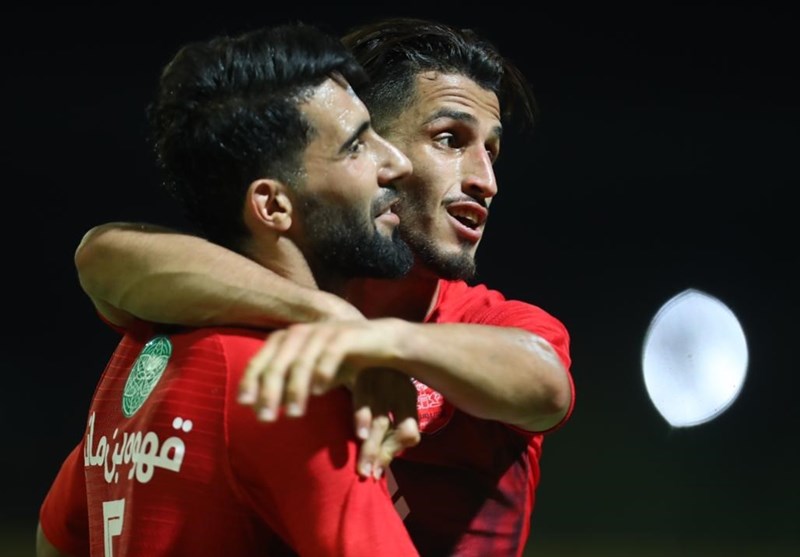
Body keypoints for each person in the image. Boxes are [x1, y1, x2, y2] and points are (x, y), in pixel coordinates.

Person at [73, 17, 576, 557]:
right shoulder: (260, 345)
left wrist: (380, 343)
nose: (486, 180)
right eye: (449, 139)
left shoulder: (491, 323)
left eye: (491, 151)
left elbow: (545, 383)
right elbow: (103, 255)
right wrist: (330, 320)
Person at [37, 22, 423, 557]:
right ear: (272, 205)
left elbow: (56, 539)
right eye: (356, 145)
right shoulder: (284, 385)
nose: (398, 163)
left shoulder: (140, 354)